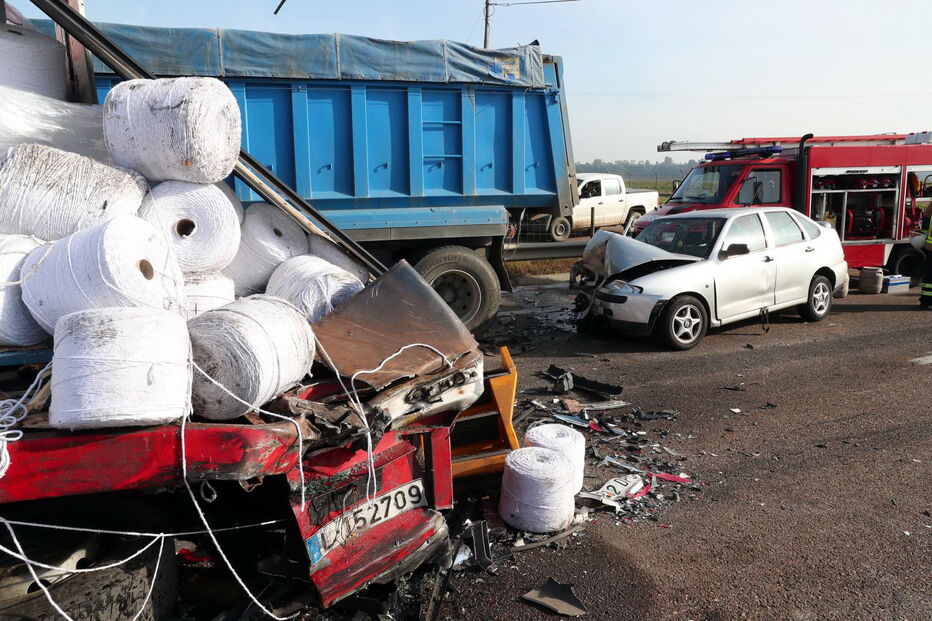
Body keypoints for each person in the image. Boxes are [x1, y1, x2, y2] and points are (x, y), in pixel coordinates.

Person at [922, 202, 932, 309]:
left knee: (929, 275)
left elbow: (927, 215)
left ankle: (926, 300)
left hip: (930, 246)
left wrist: (924, 233)